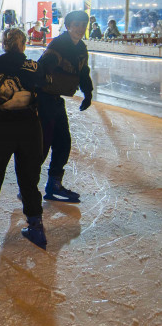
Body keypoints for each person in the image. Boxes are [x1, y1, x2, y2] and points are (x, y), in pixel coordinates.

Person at [0, 28, 47, 249]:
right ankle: (36, 226)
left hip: (1, 129)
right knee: (29, 179)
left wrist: (0, 100)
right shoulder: (34, 67)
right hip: (29, 129)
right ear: (23, 44)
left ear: (4, 44)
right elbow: (44, 93)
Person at [36, 10, 93, 203]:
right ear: (68, 26)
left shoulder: (81, 48)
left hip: (55, 99)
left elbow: (84, 71)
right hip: (44, 98)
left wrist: (88, 92)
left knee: (63, 142)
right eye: (76, 24)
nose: (80, 28)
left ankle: (54, 184)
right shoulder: (59, 45)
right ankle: (29, 184)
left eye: (83, 25)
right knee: (43, 143)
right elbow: (42, 68)